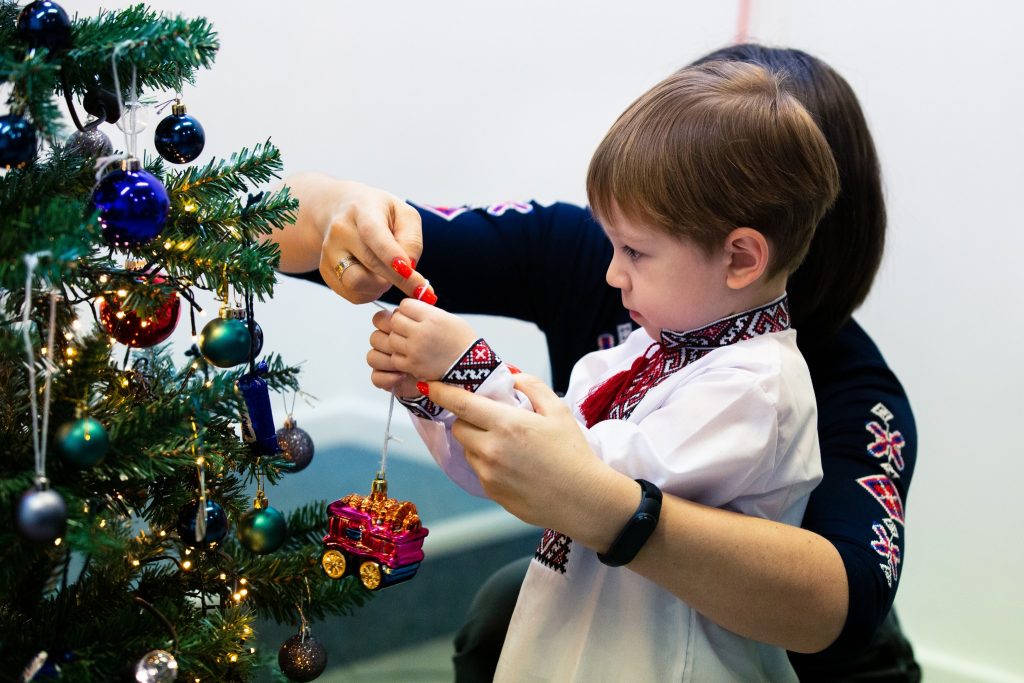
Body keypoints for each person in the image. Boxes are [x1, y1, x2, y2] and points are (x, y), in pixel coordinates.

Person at [271, 44, 919, 681]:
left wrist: (472, 371)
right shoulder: (641, 323)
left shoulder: (775, 384)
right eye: (616, 243)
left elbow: (584, 472)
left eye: (635, 250)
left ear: (745, 252)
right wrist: (344, 221)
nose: (613, 272)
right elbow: (532, 465)